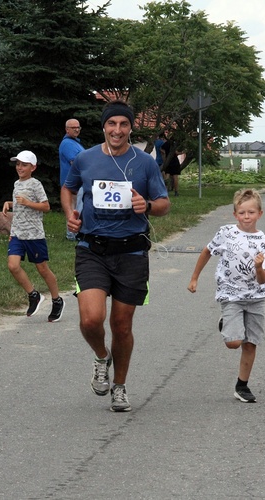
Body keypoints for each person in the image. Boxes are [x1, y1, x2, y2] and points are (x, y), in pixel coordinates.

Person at [60, 100, 170, 412]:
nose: (117, 130)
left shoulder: (145, 163)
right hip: (92, 249)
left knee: (121, 325)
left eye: (123, 124)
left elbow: (164, 203)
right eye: (112, 124)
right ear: (104, 127)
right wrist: (70, 213)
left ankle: (119, 387)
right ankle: (100, 356)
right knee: (91, 318)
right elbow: (68, 189)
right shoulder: (85, 158)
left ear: (130, 127)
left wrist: (146, 206)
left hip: (131, 251)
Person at [187, 189, 265, 403]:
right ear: (235, 214)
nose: (246, 217)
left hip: (256, 297)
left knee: (251, 343)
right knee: (234, 342)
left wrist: (259, 267)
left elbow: (263, 280)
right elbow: (207, 251)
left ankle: (242, 386)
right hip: (231, 295)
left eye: (251, 212)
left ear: (260, 214)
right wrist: (194, 277)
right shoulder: (226, 233)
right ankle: (227, 322)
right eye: (242, 212)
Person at [2, 150, 65, 322]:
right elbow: (19, 206)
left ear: (33, 167)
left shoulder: (36, 184)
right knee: (13, 266)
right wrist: (9, 203)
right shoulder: (16, 184)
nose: (20, 167)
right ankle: (33, 295)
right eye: (18, 164)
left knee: (42, 269)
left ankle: (57, 300)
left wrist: (28, 203)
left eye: (24, 165)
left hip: (34, 235)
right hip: (17, 234)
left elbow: (46, 207)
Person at [59, 118, 85, 240]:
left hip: (76, 183)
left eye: (78, 127)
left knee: (75, 208)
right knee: (76, 209)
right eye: (73, 127)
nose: (76, 129)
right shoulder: (67, 143)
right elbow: (75, 162)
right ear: (66, 129)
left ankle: (74, 233)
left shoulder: (75, 142)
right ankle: (73, 234)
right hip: (72, 184)